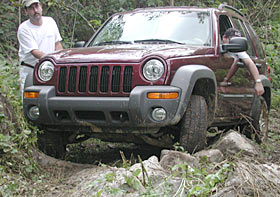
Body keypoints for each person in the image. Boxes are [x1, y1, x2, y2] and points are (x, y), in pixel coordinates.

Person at [17, 0, 63, 96]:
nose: (35, 10)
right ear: (26, 11)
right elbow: (35, 52)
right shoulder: (24, 29)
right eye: (31, 8)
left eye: (37, 6)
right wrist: (54, 61)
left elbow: (57, 44)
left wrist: (60, 62)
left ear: (41, 7)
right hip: (31, 72)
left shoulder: (50, 22)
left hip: (50, 70)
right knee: (31, 103)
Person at [220, 28, 264, 96]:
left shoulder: (238, 50)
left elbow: (249, 63)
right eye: (232, 40)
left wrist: (258, 82)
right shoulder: (215, 46)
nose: (234, 44)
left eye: (237, 41)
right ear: (224, 37)